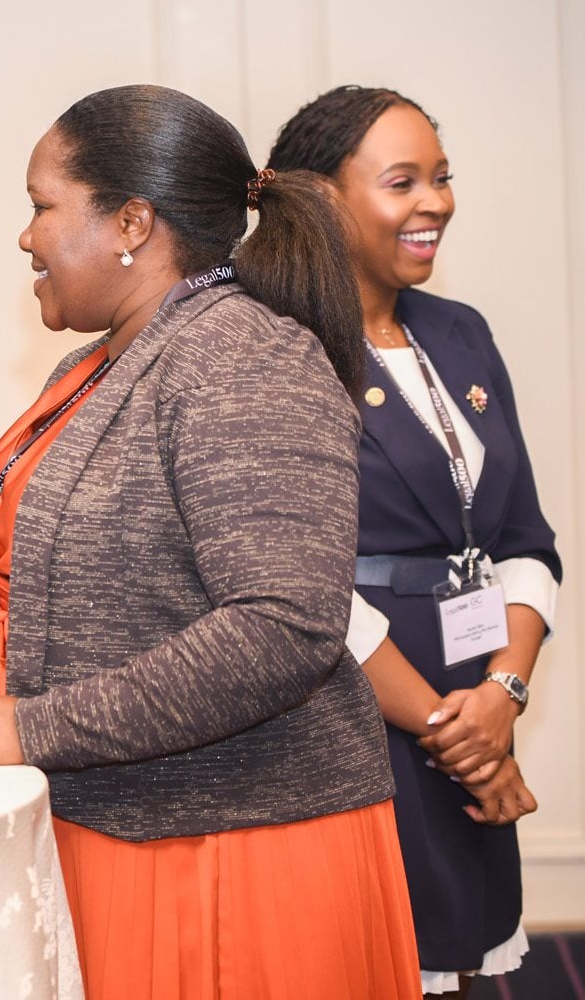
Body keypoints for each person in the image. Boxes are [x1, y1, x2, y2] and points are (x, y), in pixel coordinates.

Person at [0, 85, 420, 997]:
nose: (25, 236)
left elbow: (285, 626)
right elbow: (72, 589)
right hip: (115, 817)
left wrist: (24, 724)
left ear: (132, 223)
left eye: (42, 206)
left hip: (224, 850)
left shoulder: (241, 354)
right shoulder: (99, 360)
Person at [268, 86, 561, 997]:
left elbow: (524, 541)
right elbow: (301, 580)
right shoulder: (279, 345)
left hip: (475, 698)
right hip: (354, 717)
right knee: (370, 964)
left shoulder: (460, 331)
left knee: (458, 960)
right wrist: (456, 733)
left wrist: (502, 696)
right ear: (322, 198)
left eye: (441, 176)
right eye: (403, 182)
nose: (437, 201)